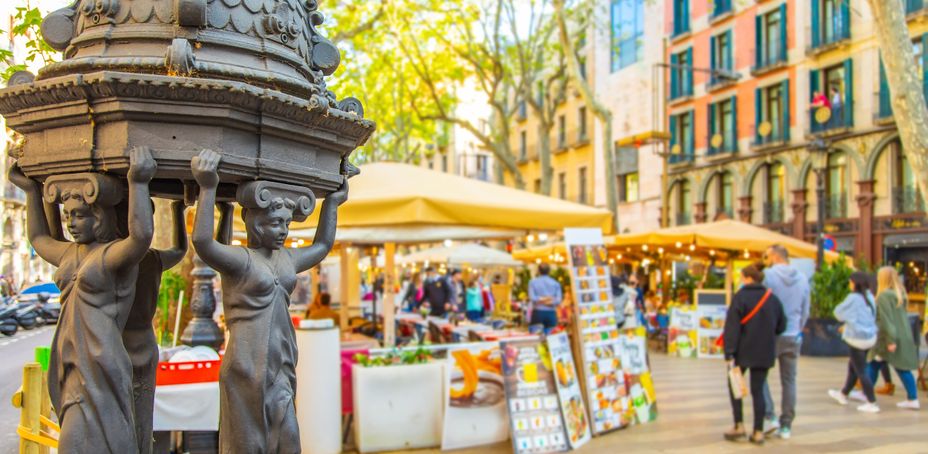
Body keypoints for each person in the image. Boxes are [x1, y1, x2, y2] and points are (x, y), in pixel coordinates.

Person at [722, 264, 785, 445]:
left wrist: (729, 352)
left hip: (742, 352)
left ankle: (739, 425)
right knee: (758, 390)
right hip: (764, 352)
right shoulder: (772, 299)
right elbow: (782, 326)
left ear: (748, 278)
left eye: (742, 277)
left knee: (736, 387)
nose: (741, 281)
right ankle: (758, 432)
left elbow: (732, 327)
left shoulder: (740, 297)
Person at [761, 244, 810, 439]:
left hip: (770, 334)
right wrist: (798, 328)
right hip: (792, 335)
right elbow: (806, 309)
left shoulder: (768, 276)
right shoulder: (803, 278)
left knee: (760, 375)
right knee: (789, 380)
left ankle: (769, 415)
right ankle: (786, 425)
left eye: (766, 256)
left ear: (774, 256)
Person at [867, 267, 921, 410]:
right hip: (903, 335)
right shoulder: (900, 294)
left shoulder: (884, 296)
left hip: (888, 338)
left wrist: (891, 340)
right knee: (899, 367)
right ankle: (912, 398)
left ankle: (867, 397)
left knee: (874, 364)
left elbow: (886, 320)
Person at [828, 271, 880, 413]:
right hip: (870, 337)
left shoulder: (853, 298)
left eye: (850, 281)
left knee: (861, 370)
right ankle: (843, 394)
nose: (849, 284)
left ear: (855, 283)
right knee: (854, 367)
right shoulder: (869, 296)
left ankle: (872, 401)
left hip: (856, 338)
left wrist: (849, 320)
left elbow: (838, 312)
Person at [528, 264, 563, 333]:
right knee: (551, 338)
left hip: (538, 313)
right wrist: (549, 299)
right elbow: (558, 300)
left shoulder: (532, 282)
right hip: (551, 313)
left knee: (536, 337)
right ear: (549, 271)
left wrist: (541, 300)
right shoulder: (555, 283)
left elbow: (533, 298)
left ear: (538, 271)